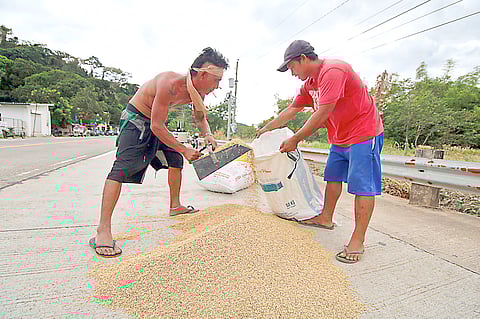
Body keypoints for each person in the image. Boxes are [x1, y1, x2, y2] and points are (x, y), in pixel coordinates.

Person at [89, 47, 229, 257]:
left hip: (157, 121)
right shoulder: (169, 84)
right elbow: (156, 126)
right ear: (202, 74)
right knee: (121, 170)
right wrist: (183, 148)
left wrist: (208, 134)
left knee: (175, 161)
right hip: (137, 119)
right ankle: (103, 230)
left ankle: (175, 205)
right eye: (216, 80)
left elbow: (200, 117)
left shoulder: (198, 92)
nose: (218, 86)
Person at [257, 40, 384, 264]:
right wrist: (267, 128)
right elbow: (293, 109)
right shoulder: (310, 84)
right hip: (340, 137)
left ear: (304, 59)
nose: (292, 73)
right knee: (333, 178)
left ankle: (358, 239)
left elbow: (324, 112)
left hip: (364, 133)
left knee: (362, 186)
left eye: (292, 67)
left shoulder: (333, 70)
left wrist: (295, 139)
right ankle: (325, 218)